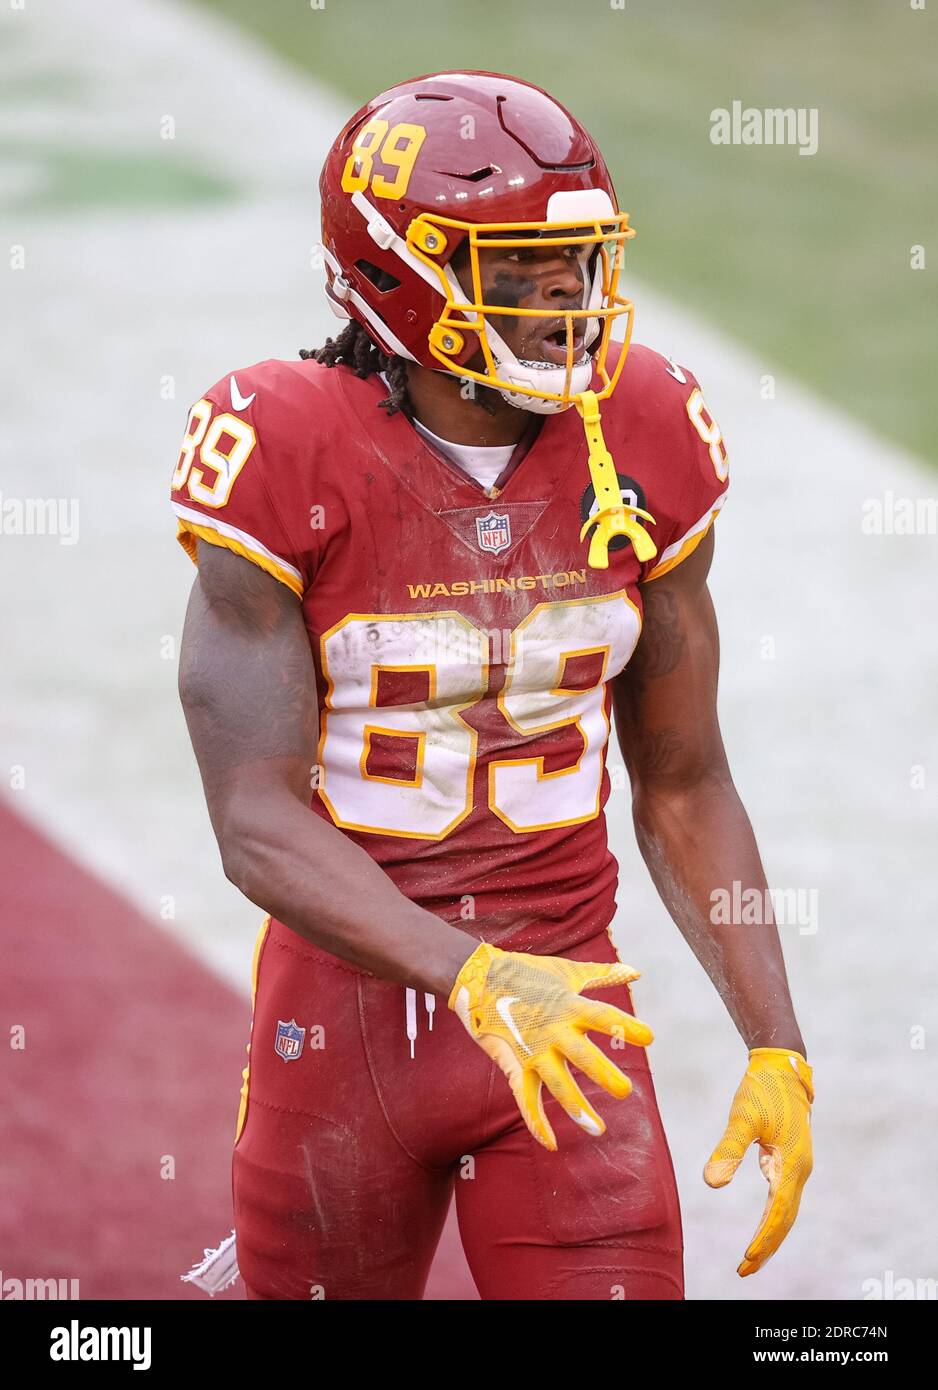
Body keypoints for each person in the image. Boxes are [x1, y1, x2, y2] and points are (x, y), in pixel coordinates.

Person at [172, 70, 812, 1301]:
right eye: (521, 270)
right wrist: (469, 974)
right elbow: (252, 818)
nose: (569, 304)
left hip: (569, 1016)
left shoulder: (643, 429)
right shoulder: (285, 441)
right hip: (347, 1023)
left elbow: (684, 778)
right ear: (403, 274)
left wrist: (773, 1041)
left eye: (578, 266)